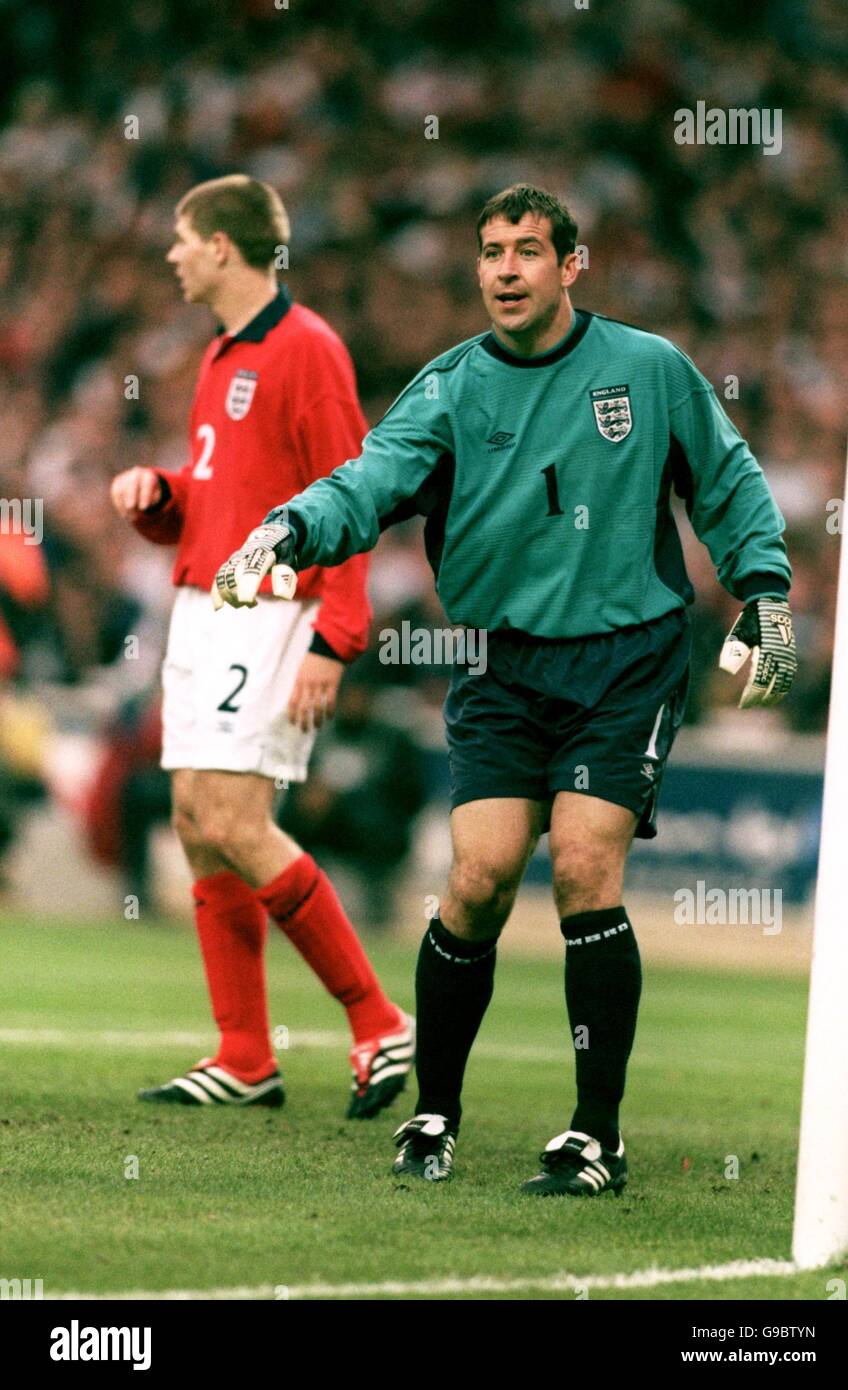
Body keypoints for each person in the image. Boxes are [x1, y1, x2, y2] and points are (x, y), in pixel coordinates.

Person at [211, 183, 796, 1190]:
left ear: (572, 265)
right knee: (475, 878)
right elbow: (369, 479)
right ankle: (433, 1114)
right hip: (501, 662)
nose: (506, 269)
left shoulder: (648, 369)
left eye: (527, 249)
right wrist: (287, 526)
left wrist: (765, 595)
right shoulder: (447, 389)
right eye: (490, 251)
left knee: (580, 867)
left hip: (626, 656)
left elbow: (729, 481)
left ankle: (593, 1135)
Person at [110, 175, 414, 1116]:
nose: (172, 253)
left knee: (236, 819)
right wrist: (165, 499)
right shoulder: (221, 356)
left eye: (183, 237)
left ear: (225, 247)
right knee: (197, 821)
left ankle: (377, 1020)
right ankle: (245, 1054)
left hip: (273, 610)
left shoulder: (307, 350)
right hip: (206, 602)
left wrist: (335, 635)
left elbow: (354, 496)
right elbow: (228, 500)